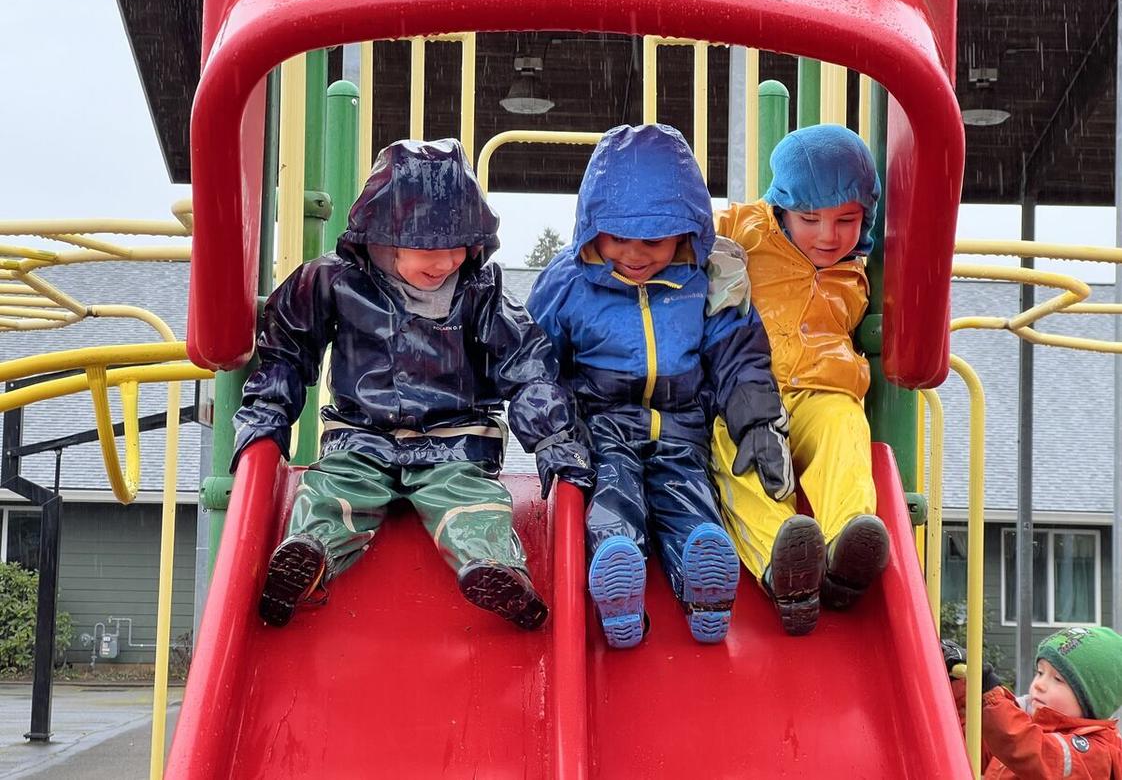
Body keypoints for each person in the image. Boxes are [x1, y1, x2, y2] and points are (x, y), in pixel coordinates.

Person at [233, 138, 595, 629]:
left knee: (472, 504)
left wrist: (553, 439)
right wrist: (266, 416)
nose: (445, 262)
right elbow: (287, 347)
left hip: (456, 442)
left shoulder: (479, 292)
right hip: (360, 437)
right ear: (385, 236)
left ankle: (495, 570)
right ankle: (309, 556)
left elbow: (526, 363)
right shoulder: (336, 282)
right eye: (429, 247)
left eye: (456, 247)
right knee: (332, 492)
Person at [528, 124, 792, 648]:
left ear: (686, 230)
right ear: (591, 227)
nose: (634, 253)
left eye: (653, 239)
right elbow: (535, 366)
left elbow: (738, 355)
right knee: (612, 491)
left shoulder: (709, 280)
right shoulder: (569, 282)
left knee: (689, 497)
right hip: (602, 428)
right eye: (618, 237)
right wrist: (552, 434)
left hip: (683, 427)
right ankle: (616, 575)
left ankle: (702, 581)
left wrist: (758, 421)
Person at [712, 123, 888, 637]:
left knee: (844, 426)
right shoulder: (746, 228)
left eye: (846, 220)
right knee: (734, 457)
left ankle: (846, 544)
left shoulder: (860, 267)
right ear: (781, 206)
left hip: (819, 392)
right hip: (746, 398)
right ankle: (782, 561)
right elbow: (682, 229)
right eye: (809, 219)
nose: (828, 235)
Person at [942, 628, 1122, 778]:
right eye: (1040, 672)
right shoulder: (1028, 727)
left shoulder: (1097, 753)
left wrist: (989, 693)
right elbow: (973, 747)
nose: (1039, 685)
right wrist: (962, 689)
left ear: (1093, 698)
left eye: (1058, 679)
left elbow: (1031, 750)